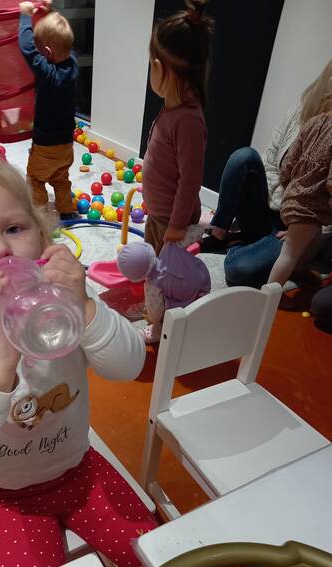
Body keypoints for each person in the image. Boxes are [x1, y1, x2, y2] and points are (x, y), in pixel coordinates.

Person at [0, 156, 157, 567]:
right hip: (0, 494)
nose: (0, 249)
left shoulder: (66, 303)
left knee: (153, 553)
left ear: (42, 236)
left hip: (76, 470)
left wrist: (85, 307)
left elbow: (130, 365)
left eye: (14, 228)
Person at [206, 59, 332, 288]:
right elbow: (273, 163)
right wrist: (289, 200)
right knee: (243, 157)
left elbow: (292, 167)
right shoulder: (302, 114)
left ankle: (243, 245)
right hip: (278, 208)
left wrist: (299, 220)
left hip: (299, 224)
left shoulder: (316, 125)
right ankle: (222, 232)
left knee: (239, 269)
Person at [140, 0, 214, 341]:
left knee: (162, 276)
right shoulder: (172, 108)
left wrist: (176, 225)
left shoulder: (187, 120)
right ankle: (160, 313)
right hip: (160, 214)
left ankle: (163, 324)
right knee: (154, 268)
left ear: (159, 68)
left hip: (170, 220)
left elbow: (190, 180)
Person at [18, 0, 78, 219]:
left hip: (45, 145)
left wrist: (25, 17)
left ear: (47, 52)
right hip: (67, 145)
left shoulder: (47, 72)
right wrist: (47, 13)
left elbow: (27, 48)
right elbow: (59, 42)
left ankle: (40, 214)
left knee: (36, 179)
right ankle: (67, 211)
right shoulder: (72, 64)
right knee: (61, 179)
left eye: (39, 47)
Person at [267, 110, 332, 286]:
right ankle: (268, 293)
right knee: (288, 255)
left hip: (292, 197)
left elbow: (289, 163)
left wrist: (288, 186)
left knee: (314, 240)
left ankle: (298, 271)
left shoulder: (313, 121)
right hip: (310, 207)